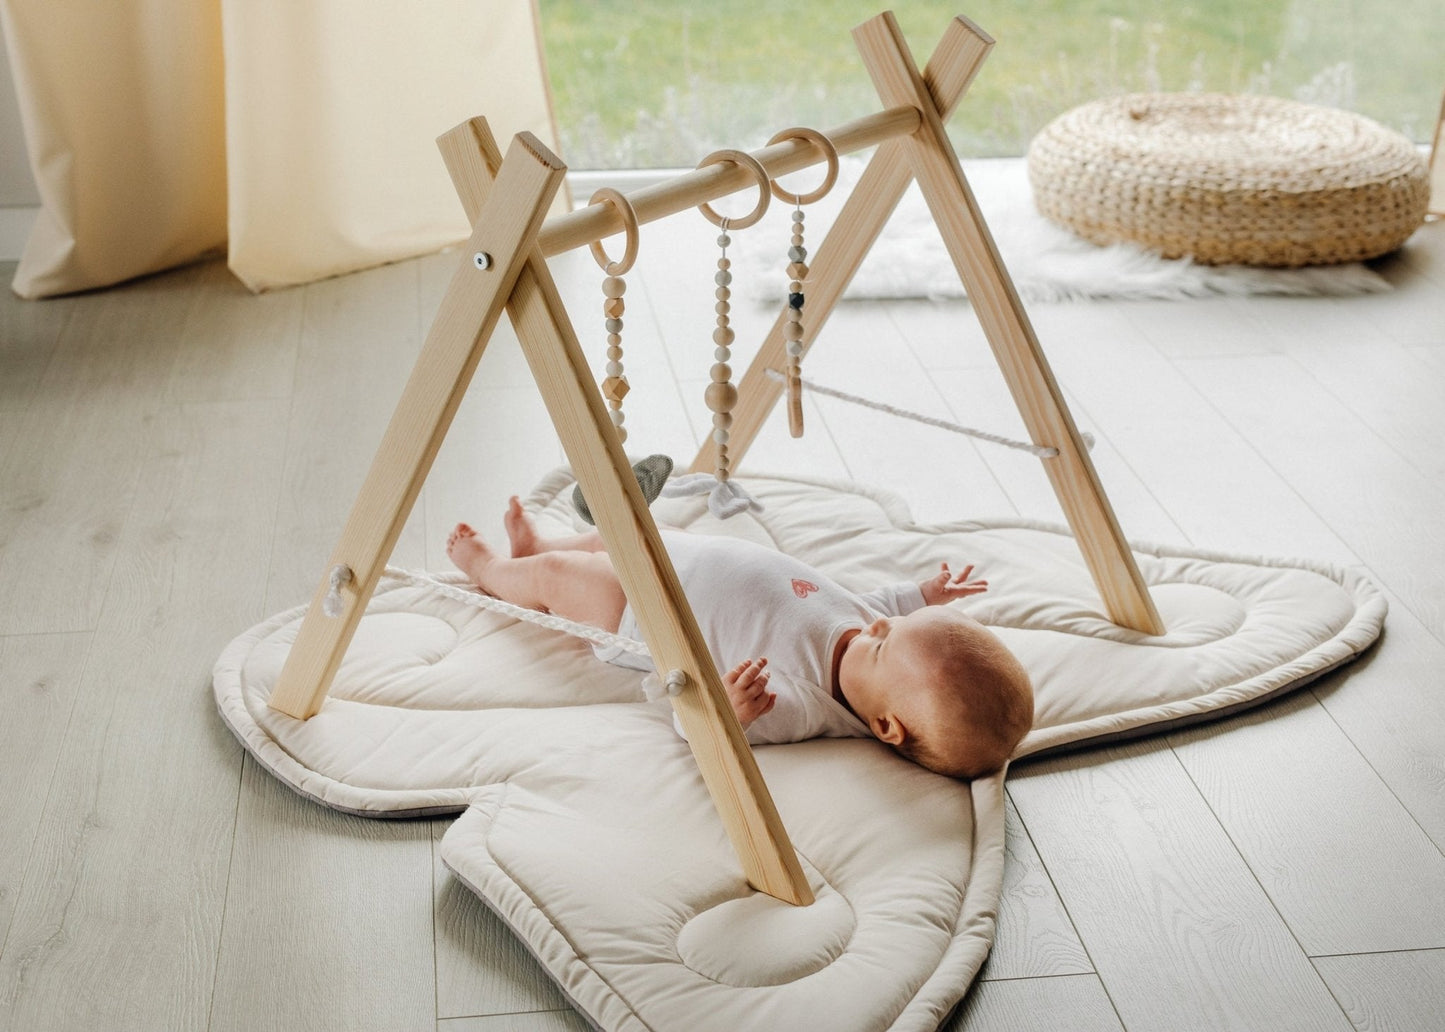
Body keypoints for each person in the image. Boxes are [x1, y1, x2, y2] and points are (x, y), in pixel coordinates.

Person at [447, 498, 1034, 779]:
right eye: (894, 627)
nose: (876, 626)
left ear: (885, 726)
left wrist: (728, 714)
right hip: (685, 556)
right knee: (627, 536)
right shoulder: (870, 630)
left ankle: (493, 571)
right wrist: (923, 596)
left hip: (639, 612)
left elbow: (699, 722)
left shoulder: (799, 703)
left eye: (885, 643)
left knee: (568, 580)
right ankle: (540, 545)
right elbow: (883, 608)